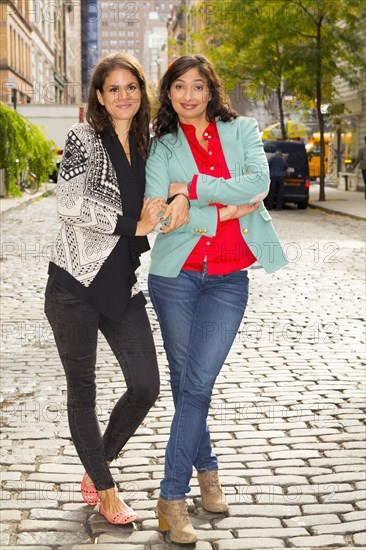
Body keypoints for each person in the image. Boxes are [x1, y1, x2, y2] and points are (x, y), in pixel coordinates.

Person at [145, 54, 288, 544]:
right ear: (169, 93)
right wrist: (222, 214)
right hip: (175, 278)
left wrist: (195, 188)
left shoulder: (243, 130)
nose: (188, 96)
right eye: (179, 87)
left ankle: (170, 495)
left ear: (211, 92)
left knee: (197, 382)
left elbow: (259, 185)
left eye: (198, 87)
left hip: (228, 280)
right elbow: (161, 215)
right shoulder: (161, 145)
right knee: (190, 384)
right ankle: (206, 474)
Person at [44, 53, 169, 525]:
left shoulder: (149, 144)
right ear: (99, 95)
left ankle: (98, 464)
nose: (123, 96)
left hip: (121, 284)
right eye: (113, 88)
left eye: (131, 87)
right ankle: (105, 488)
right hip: (74, 283)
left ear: (142, 92)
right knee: (83, 392)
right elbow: (69, 204)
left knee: (145, 385)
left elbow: (170, 188)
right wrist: (129, 222)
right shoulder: (83, 138)